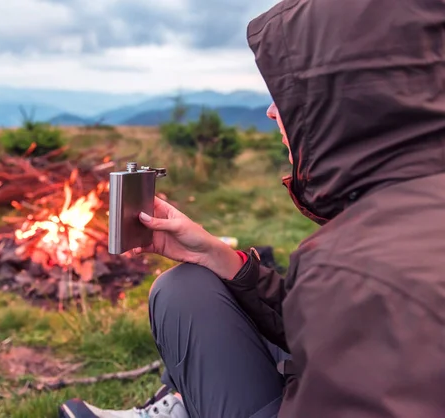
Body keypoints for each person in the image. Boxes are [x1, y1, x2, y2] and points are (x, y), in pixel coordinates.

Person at [60, 0, 445, 416]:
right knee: (186, 286)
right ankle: (186, 399)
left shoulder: (354, 269)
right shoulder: (412, 212)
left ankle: (188, 403)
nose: (271, 111)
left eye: (287, 96)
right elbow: (321, 332)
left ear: (340, 105)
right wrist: (214, 254)